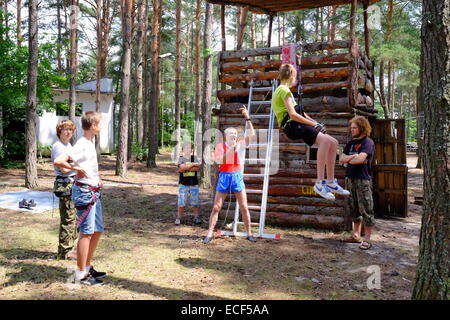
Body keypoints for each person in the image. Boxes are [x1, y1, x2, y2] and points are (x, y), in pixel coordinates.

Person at [272, 64, 350, 200]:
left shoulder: (282, 91)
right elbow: (293, 115)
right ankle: (320, 182)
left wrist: (316, 124)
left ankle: (331, 181)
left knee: (334, 142)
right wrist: (314, 124)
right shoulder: (284, 91)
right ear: (292, 76)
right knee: (325, 141)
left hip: (295, 124)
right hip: (292, 126)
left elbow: (300, 113)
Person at [54, 111, 106, 285]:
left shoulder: (89, 143)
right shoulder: (82, 143)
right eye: (98, 123)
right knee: (87, 233)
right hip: (84, 192)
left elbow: (86, 164)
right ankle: (80, 273)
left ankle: (87, 266)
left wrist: (95, 178)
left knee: (97, 230)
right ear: (92, 125)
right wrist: (77, 170)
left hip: (93, 190)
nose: (100, 126)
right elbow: (59, 161)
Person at [203, 106, 256, 244]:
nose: (234, 135)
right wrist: (232, 149)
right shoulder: (221, 146)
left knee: (244, 206)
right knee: (216, 207)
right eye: (231, 133)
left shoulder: (240, 144)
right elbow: (220, 161)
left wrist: (247, 117)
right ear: (226, 136)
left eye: (235, 133)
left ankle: (249, 233)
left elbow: (253, 136)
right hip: (224, 176)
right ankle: (209, 233)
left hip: (237, 175)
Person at [340, 116, 375, 250]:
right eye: (351, 127)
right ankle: (355, 235)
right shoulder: (350, 143)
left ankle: (367, 240)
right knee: (353, 207)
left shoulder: (368, 142)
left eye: (354, 127)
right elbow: (341, 159)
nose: (352, 130)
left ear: (362, 128)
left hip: (363, 180)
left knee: (366, 208)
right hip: (350, 179)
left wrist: (353, 158)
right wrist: (353, 157)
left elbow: (360, 159)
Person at [51, 120, 78, 260]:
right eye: (65, 129)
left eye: (70, 130)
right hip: (65, 185)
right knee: (68, 219)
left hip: (73, 184)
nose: (68, 132)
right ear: (59, 132)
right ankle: (64, 252)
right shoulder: (59, 147)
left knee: (74, 218)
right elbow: (64, 168)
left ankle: (70, 248)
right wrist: (78, 166)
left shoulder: (68, 145)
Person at [176, 142, 202, 225]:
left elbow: (196, 168)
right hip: (183, 184)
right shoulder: (181, 158)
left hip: (193, 184)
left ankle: (196, 217)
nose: (188, 149)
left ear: (192, 150)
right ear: (183, 149)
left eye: (190, 148)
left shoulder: (194, 158)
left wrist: (186, 167)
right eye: (186, 148)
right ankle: (179, 217)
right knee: (181, 202)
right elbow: (182, 167)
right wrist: (192, 165)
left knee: (195, 201)